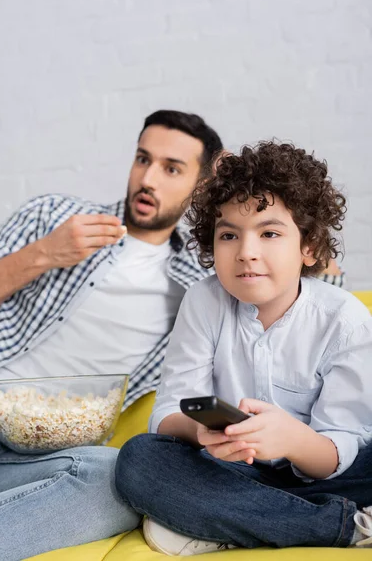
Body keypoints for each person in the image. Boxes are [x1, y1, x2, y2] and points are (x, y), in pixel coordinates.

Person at [0, 110, 223, 561]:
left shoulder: (200, 283)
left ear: (201, 186)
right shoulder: (55, 216)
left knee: (120, 480)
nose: (148, 179)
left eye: (171, 168)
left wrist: (316, 259)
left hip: (53, 449)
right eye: (142, 159)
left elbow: (279, 299)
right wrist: (44, 253)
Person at [115, 141, 372, 554]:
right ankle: (341, 524)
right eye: (229, 235)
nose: (246, 253)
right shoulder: (203, 301)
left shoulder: (346, 320)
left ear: (308, 247)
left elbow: (340, 446)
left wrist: (291, 440)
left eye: (269, 233)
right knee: (139, 461)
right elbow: (168, 413)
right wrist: (200, 432)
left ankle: (225, 521)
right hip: (233, 470)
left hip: (328, 472)